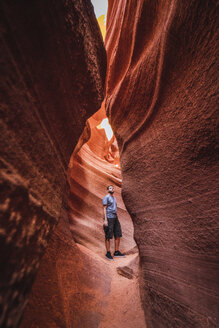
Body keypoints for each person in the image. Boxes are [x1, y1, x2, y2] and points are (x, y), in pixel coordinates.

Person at [102, 185, 125, 260]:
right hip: (109, 217)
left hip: (115, 217)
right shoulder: (106, 197)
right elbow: (104, 209)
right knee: (108, 235)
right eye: (110, 188)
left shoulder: (114, 198)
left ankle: (116, 252)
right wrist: (105, 220)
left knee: (118, 234)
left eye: (112, 188)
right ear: (108, 190)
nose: (112, 189)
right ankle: (108, 253)